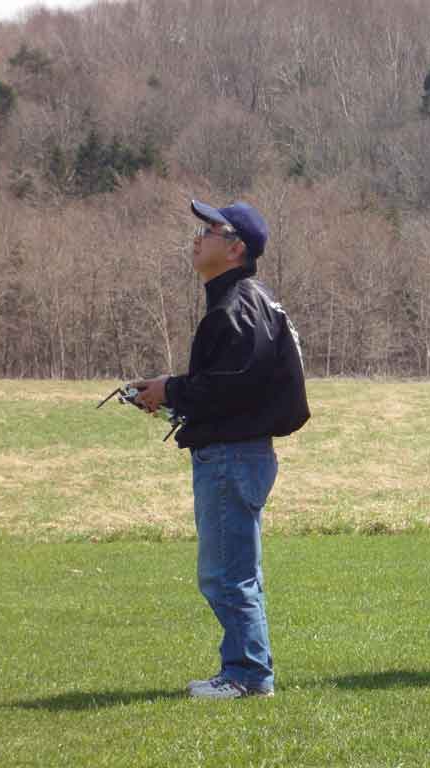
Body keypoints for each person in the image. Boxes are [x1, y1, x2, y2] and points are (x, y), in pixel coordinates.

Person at [133, 199, 309, 699]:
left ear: (236, 248)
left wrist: (171, 390)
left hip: (233, 455)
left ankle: (247, 676)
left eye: (210, 230)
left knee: (227, 575)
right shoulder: (244, 300)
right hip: (239, 452)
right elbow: (232, 383)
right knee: (234, 572)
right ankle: (246, 670)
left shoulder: (238, 304)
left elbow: (231, 387)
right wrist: (170, 390)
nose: (197, 237)